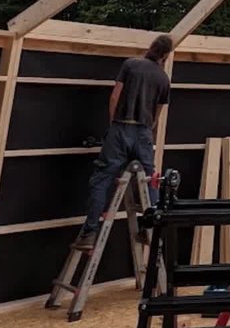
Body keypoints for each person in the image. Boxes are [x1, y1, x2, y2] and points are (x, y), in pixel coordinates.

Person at [73, 34, 174, 250]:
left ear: (152, 47)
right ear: (165, 55)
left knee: (102, 179)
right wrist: (147, 130)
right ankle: (152, 230)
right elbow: (157, 114)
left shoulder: (131, 65)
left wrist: (113, 127)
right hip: (144, 132)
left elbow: (114, 96)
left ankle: (90, 233)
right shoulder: (164, 79)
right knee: (149, 181)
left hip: (121, 126)